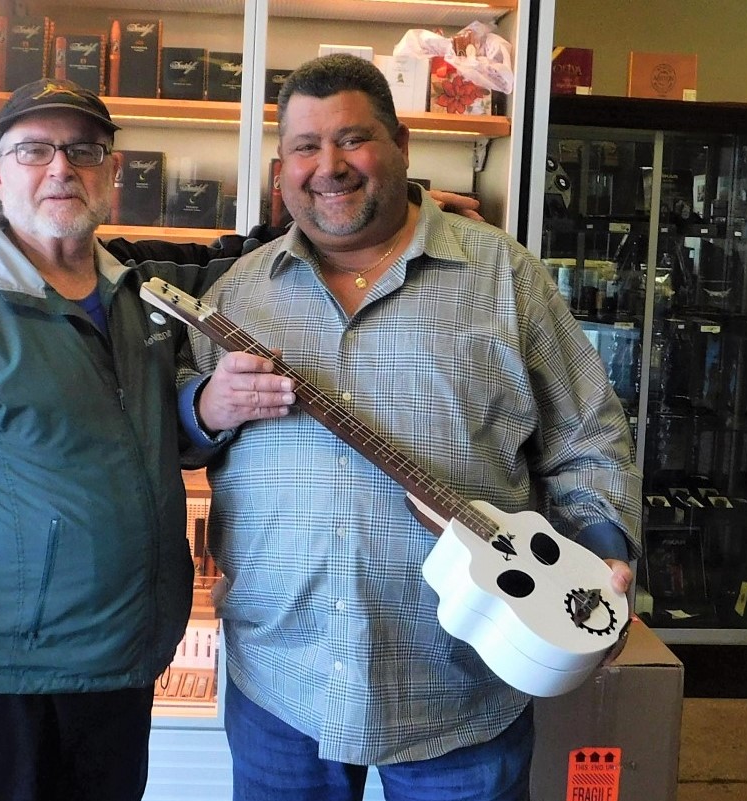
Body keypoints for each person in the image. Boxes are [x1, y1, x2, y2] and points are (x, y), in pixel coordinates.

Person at [0, 74, 493, 801]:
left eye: (83, 150)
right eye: (34, 151)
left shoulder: (143, 290)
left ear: (112, 170)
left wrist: (409, 206)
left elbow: (267, 251)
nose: (61, 168)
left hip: (121, 671)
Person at [178, 54, 643, 801]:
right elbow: (181, 427)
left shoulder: (505, 278)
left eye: (352, 139)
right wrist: (201, 409)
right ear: (281, 166)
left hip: (459, 683)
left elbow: (589, 434)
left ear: (400, 144)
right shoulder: (238, 293)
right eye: (304, 147)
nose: (328, 166)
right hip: (282, 680)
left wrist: (602, 549)